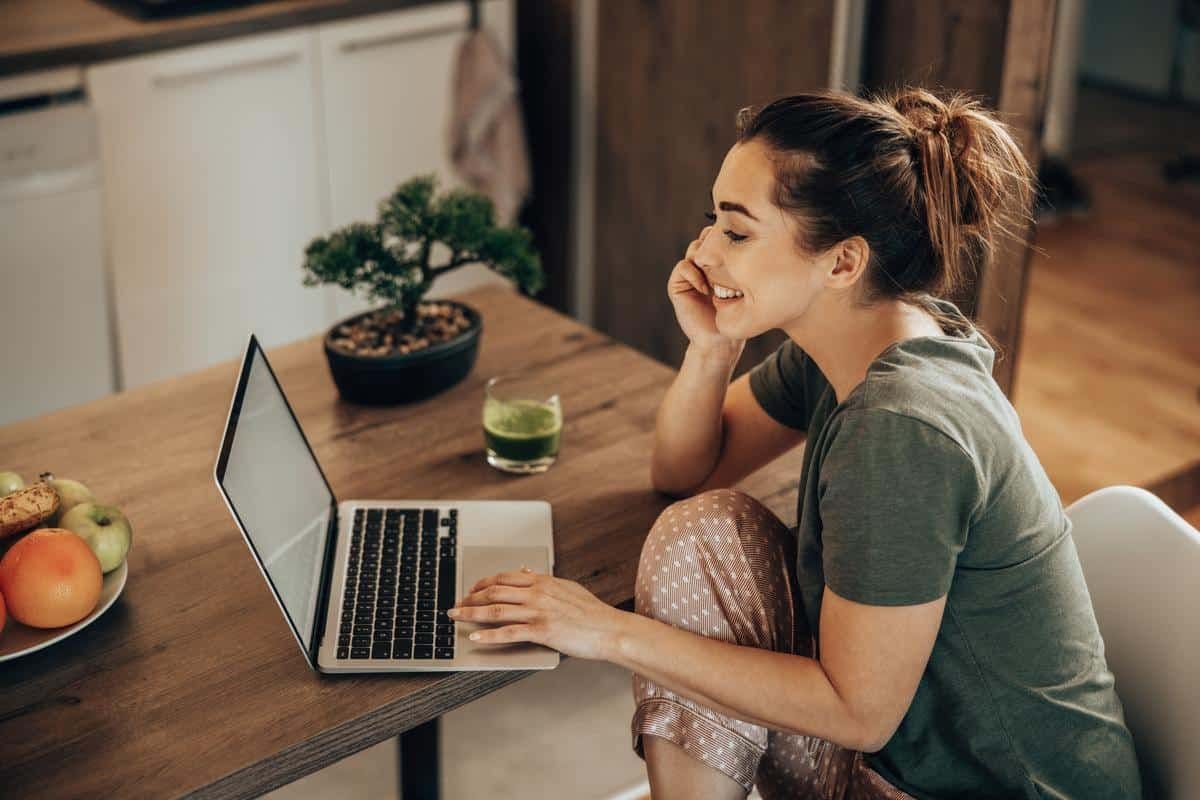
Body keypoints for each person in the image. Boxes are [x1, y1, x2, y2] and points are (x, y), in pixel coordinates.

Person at [449, 87, 1143, 799]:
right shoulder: (857, 338)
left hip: (983, 789)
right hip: (897, 757)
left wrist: (604, 632)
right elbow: (685, 471)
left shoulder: (902, 427)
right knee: (701, 532)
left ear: (842, 263)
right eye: (712, 221)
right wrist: (712, 348)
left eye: (736, 232)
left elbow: (858, 712)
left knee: (686, 579)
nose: (701, 252)